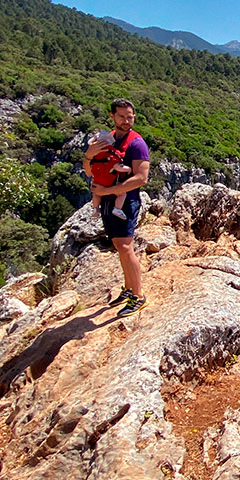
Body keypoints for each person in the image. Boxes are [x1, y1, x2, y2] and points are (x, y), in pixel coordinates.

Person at [83, 98, 150, 317]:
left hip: (125, 200)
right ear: (112, 116)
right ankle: (129, 288)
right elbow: (89, 170)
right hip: (108, 199)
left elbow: (141, 178)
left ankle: (138, 296)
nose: (126, 120)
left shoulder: (136, 143)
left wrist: (106, 192)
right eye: (121, 116)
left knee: (125, 247)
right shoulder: (107, 140)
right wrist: (89, 155)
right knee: (118, 245)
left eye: (130, 116)